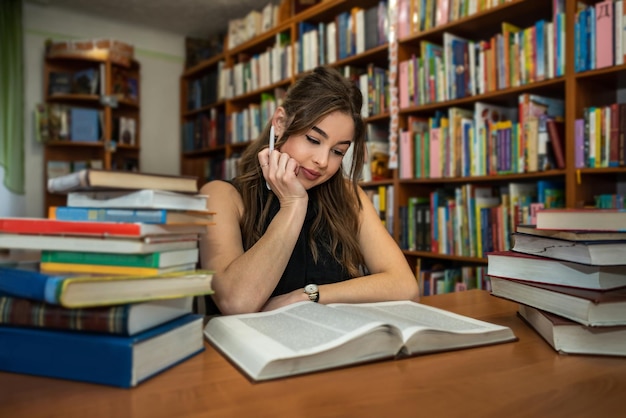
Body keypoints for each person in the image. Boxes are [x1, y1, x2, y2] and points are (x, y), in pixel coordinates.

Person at [199, 66, 419, 315]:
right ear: (280, 123)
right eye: (313, 140)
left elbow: (405, 286)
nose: (323, 161)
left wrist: (307, 296)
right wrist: (293, 204)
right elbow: (236, 302)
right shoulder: (221, 196)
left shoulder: (349, 195)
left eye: (338, 151)